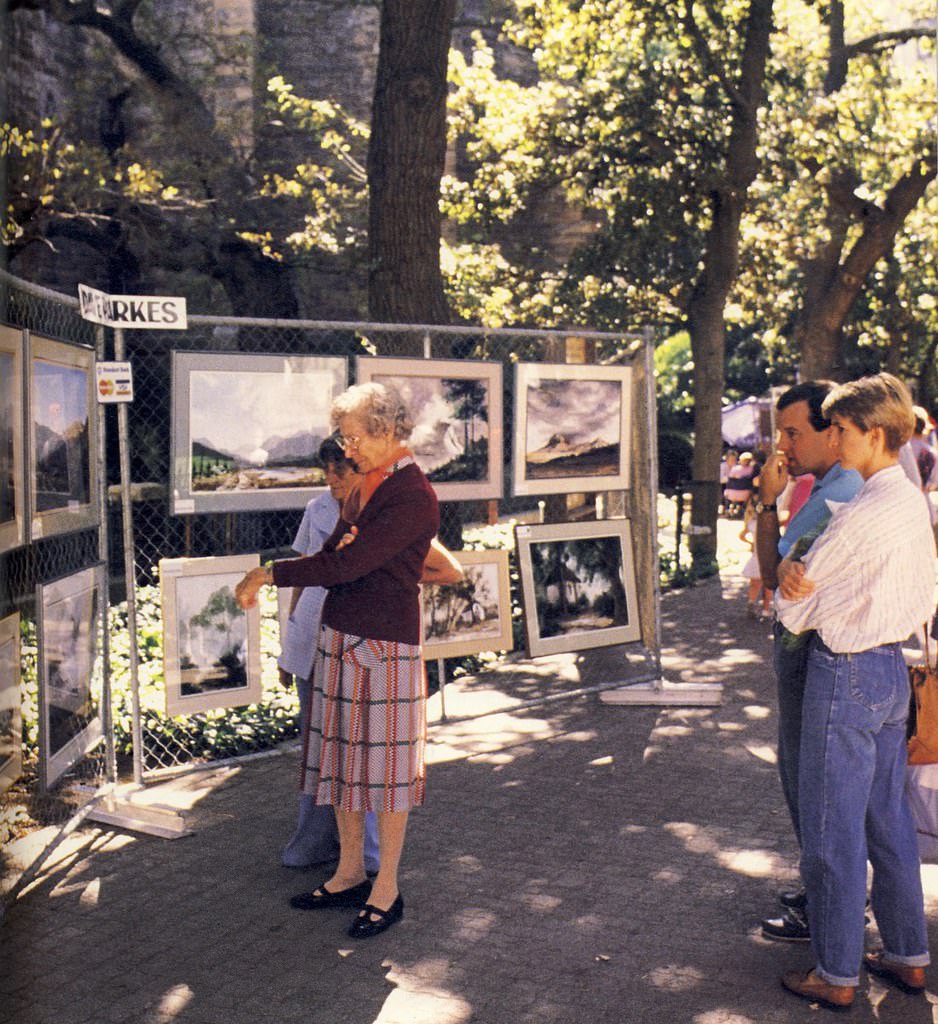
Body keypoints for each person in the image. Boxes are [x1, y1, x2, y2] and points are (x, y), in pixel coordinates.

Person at [236, 382, 440, 940]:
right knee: (343, 766)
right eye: (345, 438)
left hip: (384, 650)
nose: (346, 449)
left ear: (386, 431)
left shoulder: (410, 494)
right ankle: (349, 872)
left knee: (387, 776)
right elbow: (332, 555)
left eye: (354, 437)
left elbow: (350, 566)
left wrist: (270, 572)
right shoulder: (366, 487)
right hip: (341, 640)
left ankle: (386, 888)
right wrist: (294, 569)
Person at [774, 373, 935, 1011]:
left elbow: (796, 602)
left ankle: (836, 972)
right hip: (891, 672)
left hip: (844, 672)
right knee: (888, 821)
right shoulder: (907, 499)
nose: (831, 438)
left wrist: (790, 573)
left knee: (831, 829)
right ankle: (907, 954)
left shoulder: (867, 508)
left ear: (873, 434)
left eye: (839, 428)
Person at [754, 381, 863, 943]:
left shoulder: (839, 489)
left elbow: (773, 575)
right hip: (816, 653)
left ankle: (827, 905)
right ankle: (828, 892)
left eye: (794, 433)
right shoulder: (833, 485)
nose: (784, 446)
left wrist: (766, 502)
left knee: (806, 778)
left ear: (834, 432)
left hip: (811, 655)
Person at [277, 435, 381, 872]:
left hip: (356, 637)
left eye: (341, 468)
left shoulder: (380, 511)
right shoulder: (316, 508)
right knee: (315, 746)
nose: (332, 478)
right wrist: (290, 646)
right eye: (327, 469)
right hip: (311, 637)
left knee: (359, 746)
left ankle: (367, 850)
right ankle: (314, 841)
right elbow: (302, 575)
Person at [738, 495, 772, 620]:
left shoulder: (754, 522)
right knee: (764, 584)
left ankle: (755, 605)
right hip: (764, 554)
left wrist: (751, 543)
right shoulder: (764, 522)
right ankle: (763, 609)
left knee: (757, 583)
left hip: (761, 554)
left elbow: (741, 535)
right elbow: (741, 535)